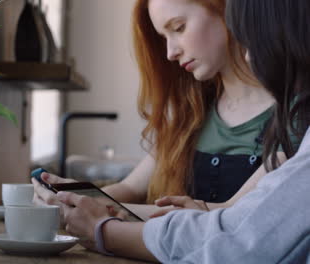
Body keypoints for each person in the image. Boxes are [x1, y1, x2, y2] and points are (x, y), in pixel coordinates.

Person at [55, 0, 310, 262]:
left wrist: (95, 215)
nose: (170, 52)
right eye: (163, 37)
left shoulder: (296, 116)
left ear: (226, 11)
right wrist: (72, 196)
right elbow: (130, 187)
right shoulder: (192, 113)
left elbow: (234, 219)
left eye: (178, 27)